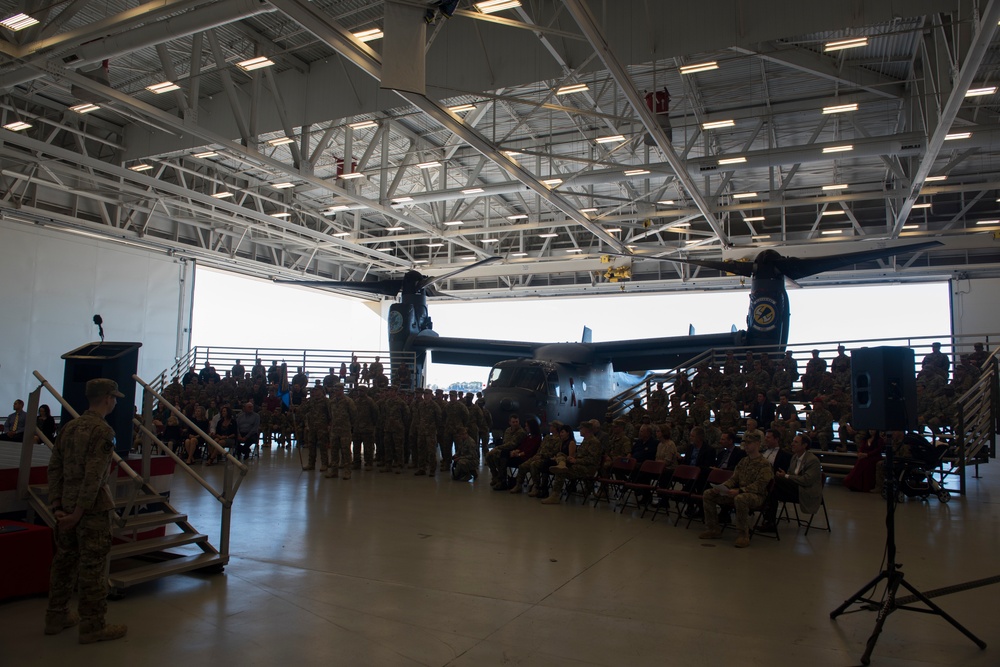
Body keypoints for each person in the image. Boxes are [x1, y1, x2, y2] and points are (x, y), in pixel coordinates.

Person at [45, 378, 128, 643]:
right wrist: (78, 514)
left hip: (65, 506)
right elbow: (94, 477)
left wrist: (58, 506)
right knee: (92, 567)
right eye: (114, 397)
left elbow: (54, 468)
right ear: (107, 398)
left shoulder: (68, 428)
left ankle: (55, 617)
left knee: (64, 562)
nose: (115, 401)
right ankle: (93, 626)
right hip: (90, 511)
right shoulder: (103, 432)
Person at [698, 430, 773, 548]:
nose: (746, 446)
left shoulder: (764, 464)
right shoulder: (743, 462)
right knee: (709, 494)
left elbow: (760, 484)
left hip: (756, 495)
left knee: (740, 498)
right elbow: (734, 479)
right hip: (737, 492)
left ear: (758, 444)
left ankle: (743, 534)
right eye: (745, 443)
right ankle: (713, 529)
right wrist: (723, 487)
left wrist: (740, 490)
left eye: (749, 443)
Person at [759, 433, 823, 532]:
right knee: (773, 490)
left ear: (804, 445)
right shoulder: (794, 457)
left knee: (774, 482)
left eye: (796, 442)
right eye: (793, 441)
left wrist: (786, 476)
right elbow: (790, 475)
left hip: (805, 491)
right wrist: (786, 476)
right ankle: (770, 521)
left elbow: (806, 480)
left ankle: (768, 519)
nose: (792, 444)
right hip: (794, 487)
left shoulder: (813, 460)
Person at [542, 420, 601, 504]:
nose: (580, 430)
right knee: (561, 454)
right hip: (579, 464)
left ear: (586, 430)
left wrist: (576, 460)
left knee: (561, 471)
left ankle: (555, 496)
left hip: (587, 468)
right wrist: (571, 458)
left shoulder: (594, 442)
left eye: (581, 429)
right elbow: (581, 455)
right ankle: (561, 464)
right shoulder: (586, 440)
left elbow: (592, 460)